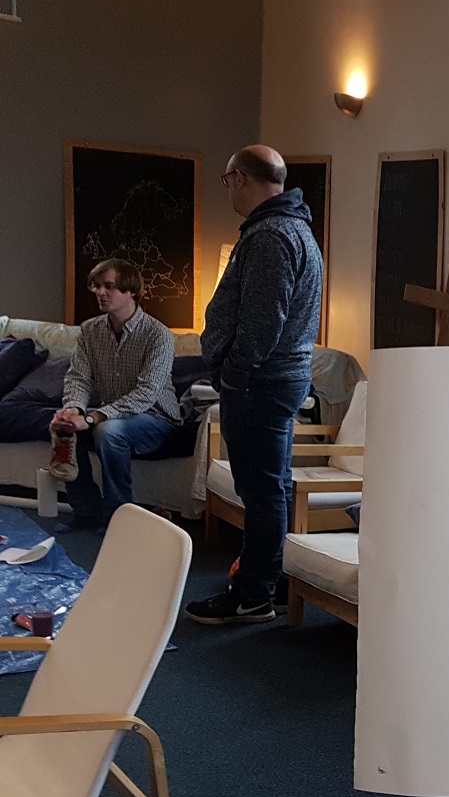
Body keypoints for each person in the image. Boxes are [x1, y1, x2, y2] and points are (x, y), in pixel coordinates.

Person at [185, 145, 324, 625]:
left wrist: (233, 374)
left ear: (241, 178)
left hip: (260, 383)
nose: (228, 190)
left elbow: (263, 322)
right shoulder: (296, 227)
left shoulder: (270, 236)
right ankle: (274, 580)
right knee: (274, 488)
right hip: (276, 380)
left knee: (261, 492)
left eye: (228, 181)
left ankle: (252, 596)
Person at [48, 258, 182, 530]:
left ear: (131, 291)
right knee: (64, 425)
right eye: (97, 286)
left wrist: (92, 418)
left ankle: (118, 518)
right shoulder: (90, 330)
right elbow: (79, 377)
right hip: (113, 414)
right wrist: (74, 409)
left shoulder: (158, 335)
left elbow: (145, 394)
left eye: (109, 286)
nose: (100, 292)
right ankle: (86, 511)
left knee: (108, 432)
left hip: (156, 419)